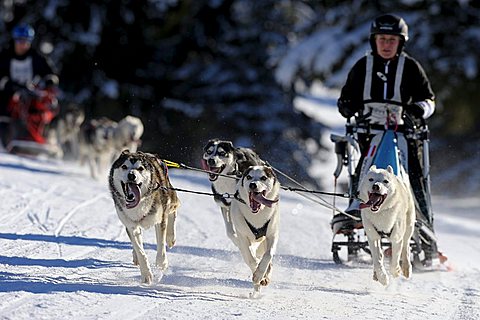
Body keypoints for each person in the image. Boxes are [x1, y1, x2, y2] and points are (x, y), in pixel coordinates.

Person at [335, 14, 438, 262]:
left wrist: (417, 111)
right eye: (382, 39)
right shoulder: (363, 66)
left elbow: (429, 101)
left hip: (404, 135)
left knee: (414, 176)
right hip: (369, 133)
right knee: (365, 170)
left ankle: (422, 224)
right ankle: (357, 212)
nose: (386, 44)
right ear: (374, 41)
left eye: (392, 40)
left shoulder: (411, 67)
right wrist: (347, 106)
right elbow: (346, 97)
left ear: (400, 42)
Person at [0, 23, 59, 148]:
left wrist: (50, 82)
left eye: (27, 41)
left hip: (30, 92)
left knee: (45, 107)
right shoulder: (5, 57)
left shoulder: (36, 57)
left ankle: (45, 139)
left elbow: (50, 73)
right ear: (15, 41)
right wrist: (9, 85)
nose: (23, 45)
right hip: (8, 94)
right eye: (20, 41)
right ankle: (5, 140)